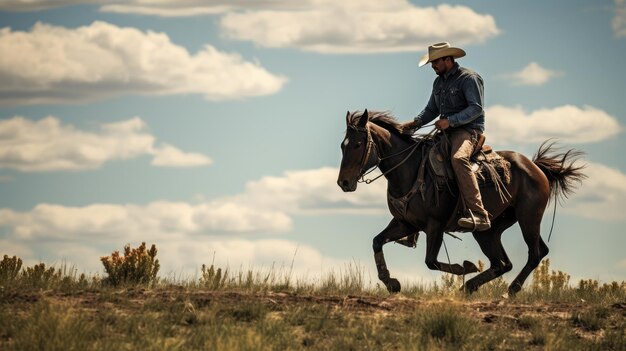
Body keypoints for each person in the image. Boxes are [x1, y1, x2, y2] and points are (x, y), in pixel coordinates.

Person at [400, 42, 491, 231]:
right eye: (431, 62)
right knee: (419, 155)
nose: (433, 66)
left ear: (448, 59)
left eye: (435, 62)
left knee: (458, 159)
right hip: (445, 132)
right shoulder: (439, 82)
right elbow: (432, 109)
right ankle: (415, 217)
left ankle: (479, 214)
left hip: (468, 131)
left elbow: (476, 108)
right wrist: (415, 123)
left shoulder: (469, 78)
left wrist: (450, 121)